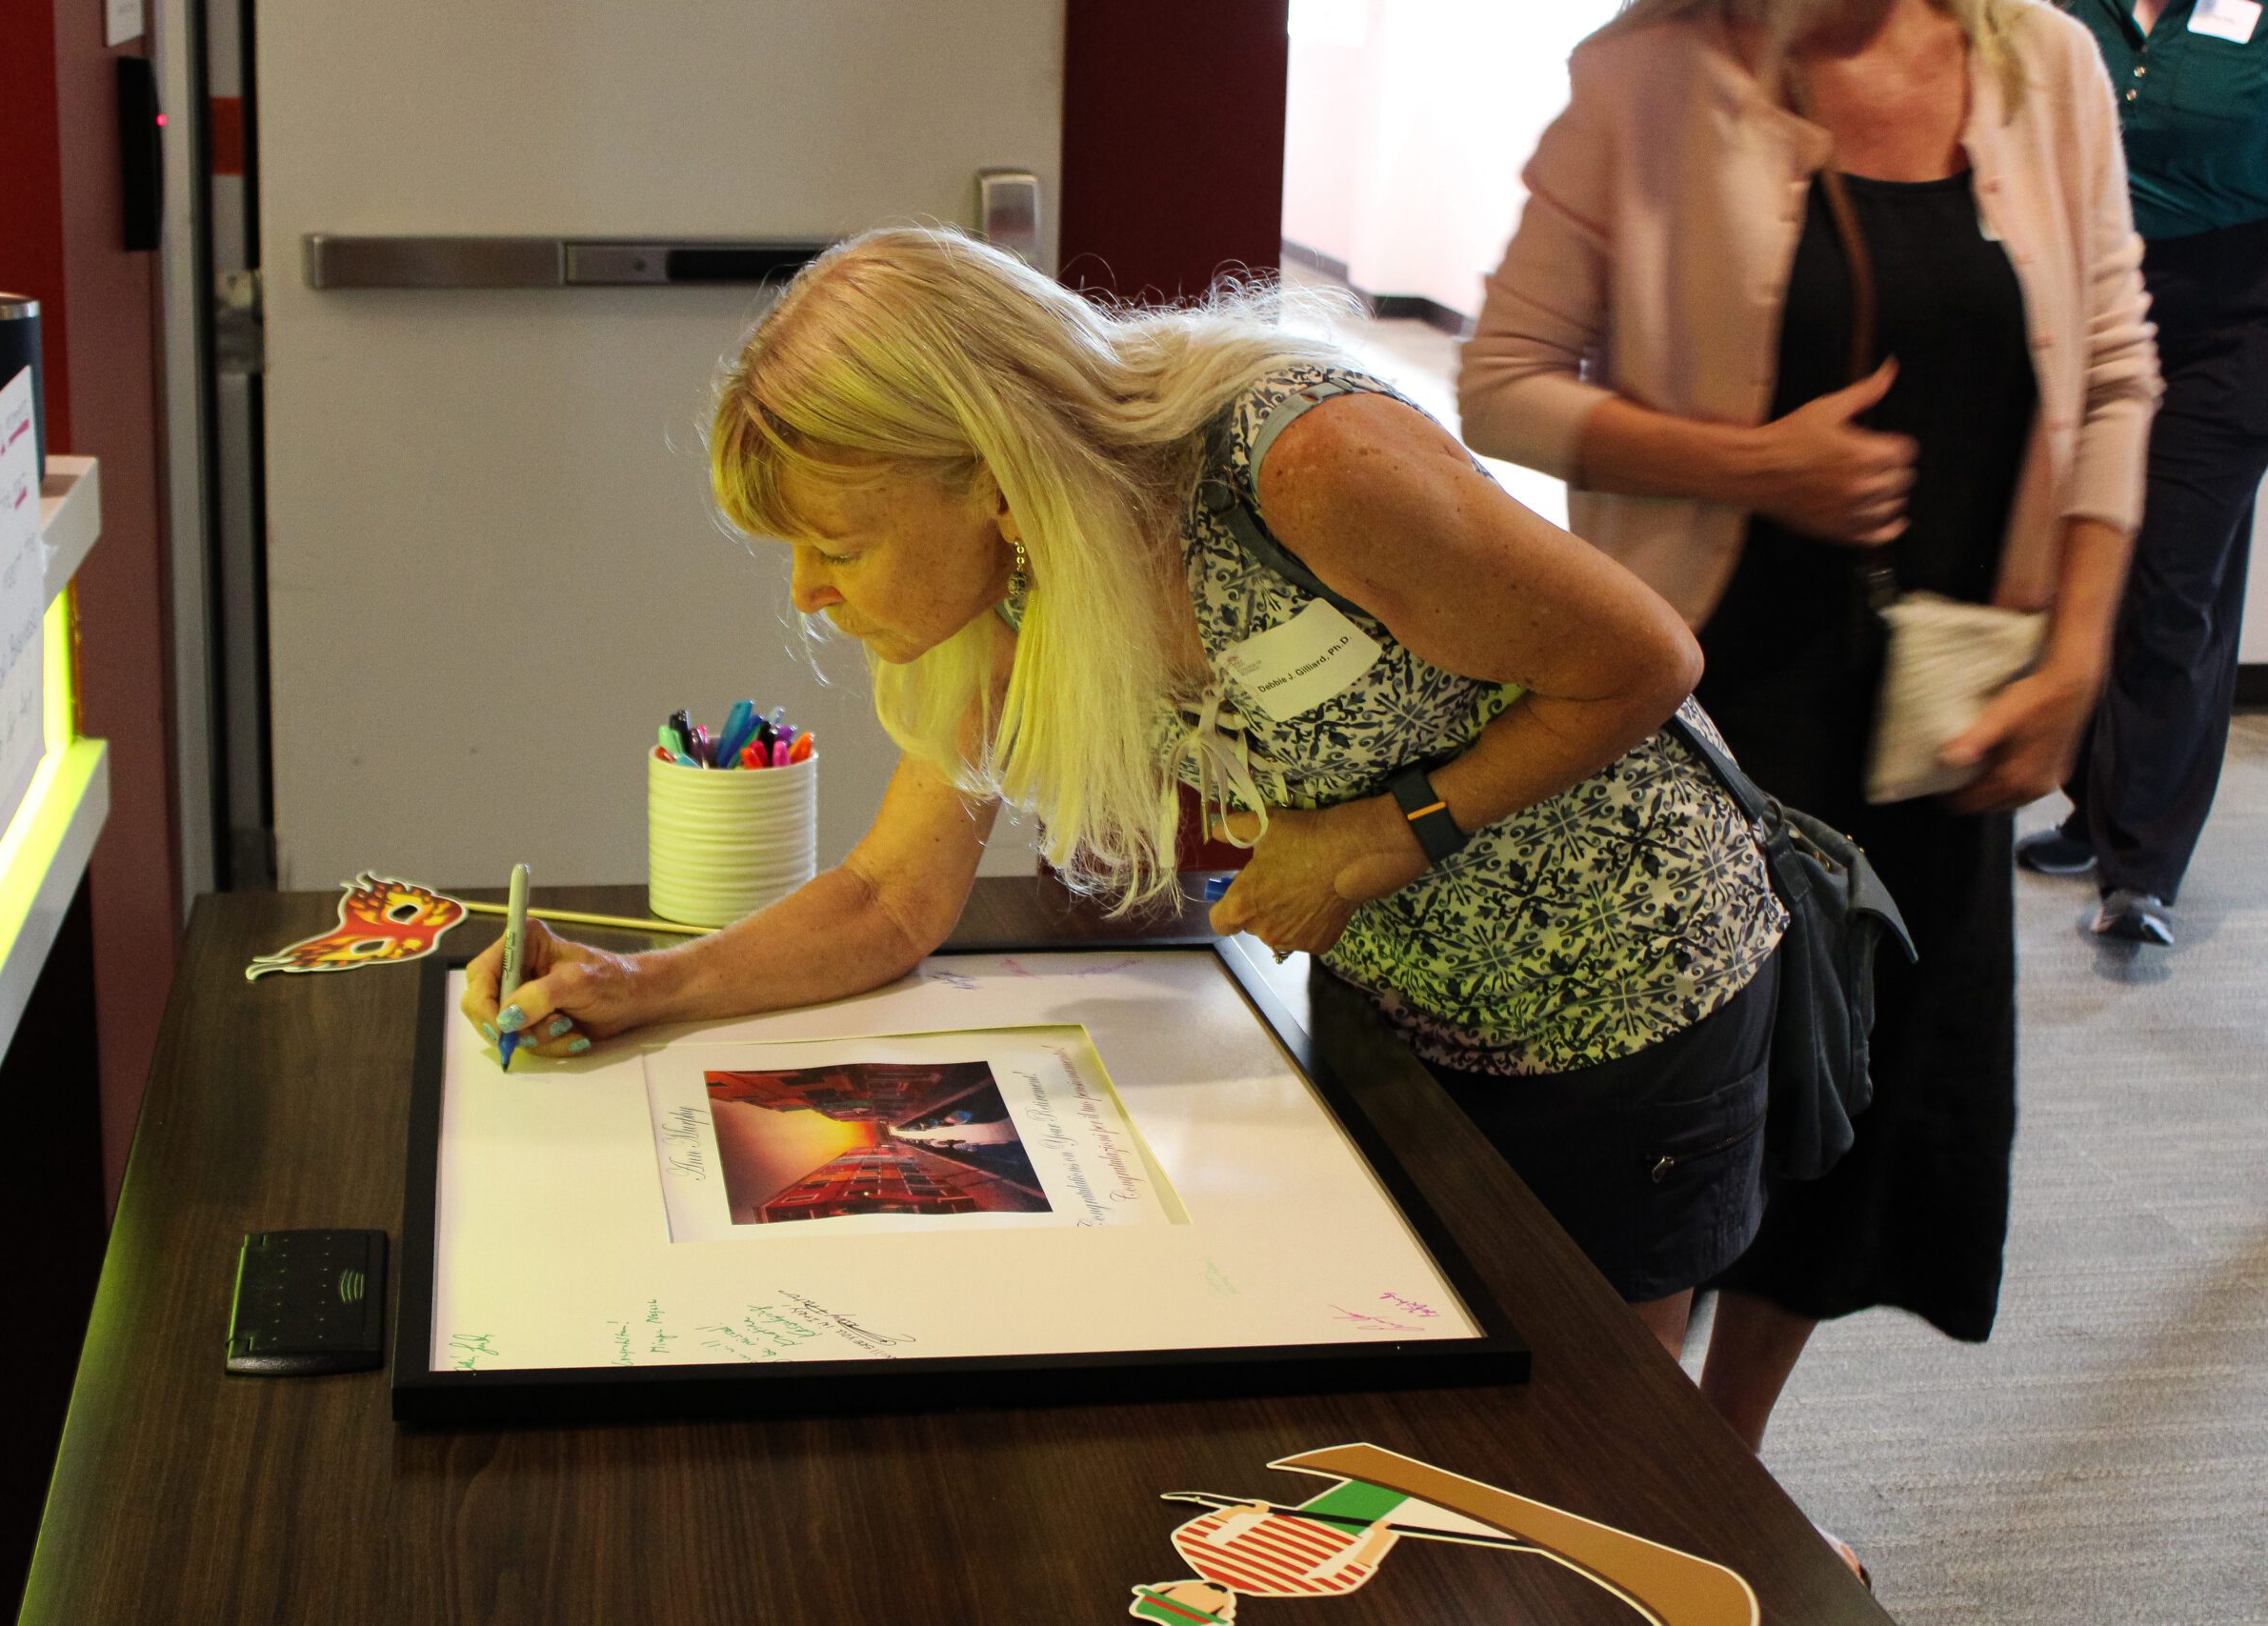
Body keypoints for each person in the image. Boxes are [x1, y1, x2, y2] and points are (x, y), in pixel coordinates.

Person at [463, 226, 1790, 1356]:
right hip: (1394, 997)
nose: (810, 592)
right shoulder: (1022, 568)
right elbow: (886, 894)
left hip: (1628, 980)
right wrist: (646, 987)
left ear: (988, 475)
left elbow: (1644, 661)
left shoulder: (1302, 466)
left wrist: (1383, 833)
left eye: (836, 543)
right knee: (1443, 1404)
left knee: (1604, 1429)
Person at [1459, 0, 2161, 1477]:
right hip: (1708, 713)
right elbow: (1502, 381)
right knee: (1685, 1118)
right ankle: (1627, 1479)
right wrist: (1753, 467)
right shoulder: (1647, 76)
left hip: (1942, 700)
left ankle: (1722, 1471)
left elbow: (2112, 372)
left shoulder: (2045, 66)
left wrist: (2080, 653)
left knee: (1874, 1100)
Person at [2015, 0, 2268, 947]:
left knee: (2173, 588)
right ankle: (2092, 808)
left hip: (2234, 320)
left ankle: (2142, 868)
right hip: (2084, 301)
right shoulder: (2076, 10)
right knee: (2089, 567)